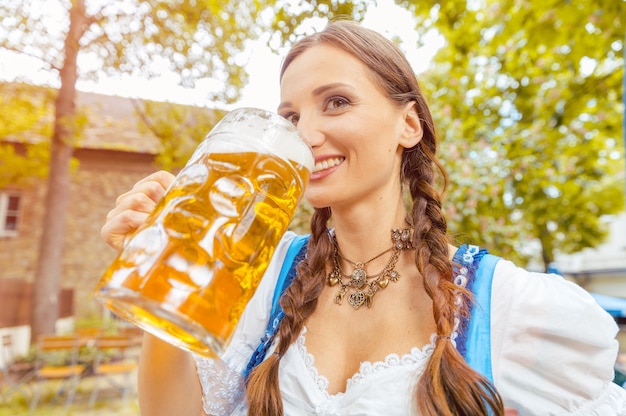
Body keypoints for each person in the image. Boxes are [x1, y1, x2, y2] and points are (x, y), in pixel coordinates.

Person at [100, 19, 626, 416]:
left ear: (409, 125)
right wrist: (168, 281)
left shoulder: (501, 302)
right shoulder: (260, 273)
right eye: (290, 116)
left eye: (335, 102)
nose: (304, 135)